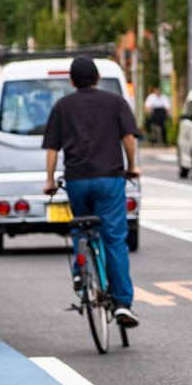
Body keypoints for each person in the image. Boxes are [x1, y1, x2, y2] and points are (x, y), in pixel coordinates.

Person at [42, 58, 142, 328]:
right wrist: (132, 166)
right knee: (114, 239)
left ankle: (81, 275)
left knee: (81, 227)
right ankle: (122, 303)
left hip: (77, 180)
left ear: (72, 81)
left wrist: (49, 180)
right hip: (109, 179)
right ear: (97, 78)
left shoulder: (63, 107)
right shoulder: (116, 103)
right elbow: (129, 137)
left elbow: (52, 148)